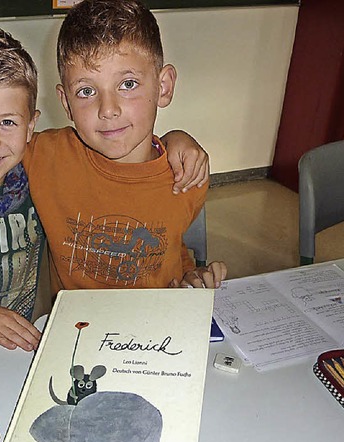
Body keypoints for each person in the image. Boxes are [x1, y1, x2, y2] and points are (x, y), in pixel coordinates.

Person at [0, 28, 209, 351]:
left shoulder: (36, 186)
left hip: (9, 353)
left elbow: (133, 201)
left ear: (31, 127)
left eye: (8, 122)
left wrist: (174, 139)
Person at [23, 0, 227, 295]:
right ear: (66, 102)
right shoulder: (44, 156)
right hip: (78, 329)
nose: (108, 109)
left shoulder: (186, 175)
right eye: (86, 91)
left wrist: (191, 278)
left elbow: (170, 245)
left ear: (164, 87)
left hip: (155, 329)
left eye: (128, 84)